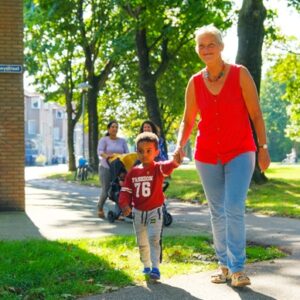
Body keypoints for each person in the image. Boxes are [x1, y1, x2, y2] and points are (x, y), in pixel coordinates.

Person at [174, 24, 271, 287]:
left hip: (240, 150)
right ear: (197, 50)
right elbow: (187, 120)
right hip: (206, 154)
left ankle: (238, 268)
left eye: (211, 44)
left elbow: (256, 113)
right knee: (217, 211)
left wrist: (263, 147)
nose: (206, 49)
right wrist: (179, 145)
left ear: (221, 46)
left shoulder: (240, 74)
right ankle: (224, 266)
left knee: (233, 207)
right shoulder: (195, 82)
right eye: (201, 45)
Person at [119, 132, 180, 280]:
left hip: (155, 211)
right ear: (136, 152)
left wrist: (175, 162)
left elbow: (168, 167)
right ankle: (146, 265)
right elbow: (126, 191)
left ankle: (155, 268)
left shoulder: (157, 168)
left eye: (148, 151)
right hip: (139, 212)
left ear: (156, 152)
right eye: (140, 151)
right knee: (142, 242)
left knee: (153, 238)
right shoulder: (133, 172)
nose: (144, 154)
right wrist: (124, 204)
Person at [97, 120, 129, 218]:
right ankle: (100, 207)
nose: (115, 129)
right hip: (106, 167)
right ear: (109, 128)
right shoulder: (104, 140)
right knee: (106, 190)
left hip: (118, 168)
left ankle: (117, 213)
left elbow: (127, 153)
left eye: (116, 127)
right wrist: (107, 156)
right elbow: (100, 151)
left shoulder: (122, 141)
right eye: (113, 127)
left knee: (119, 189)